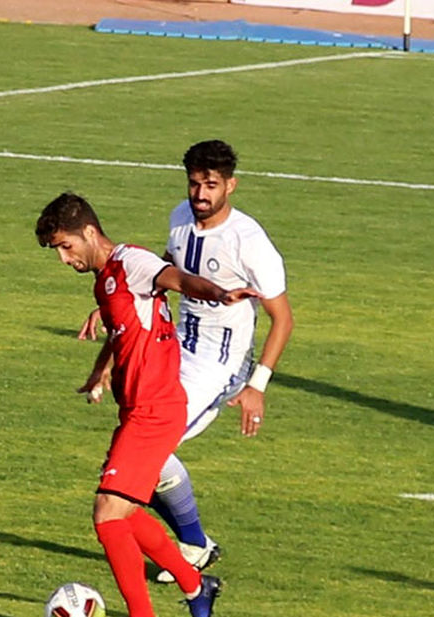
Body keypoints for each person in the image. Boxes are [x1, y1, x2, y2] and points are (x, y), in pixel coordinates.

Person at [36, 192, 259, 617]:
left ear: (89, 233)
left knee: (107, 516)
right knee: (126, 513)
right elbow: (124, 333)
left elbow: (176, 279)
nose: (64, 259)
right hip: (138, 410)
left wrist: (218, 294)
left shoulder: (132, 262)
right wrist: (100, 371)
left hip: (156, 411)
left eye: (66, 247)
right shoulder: (106, 281)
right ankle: (196, 586)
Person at [80, 140, 294, 582]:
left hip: (219, 365)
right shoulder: (180, 217)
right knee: (132, 453)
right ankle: (194, 544)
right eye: (194, 183)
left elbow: (283, 318)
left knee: (147, 456)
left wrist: (257, 385)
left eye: (210, 185)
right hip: (175, 348)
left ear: (230, 186)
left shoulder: (249, 242)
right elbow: (164, 270)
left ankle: (195, 546)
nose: (200, 194)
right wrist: (112, 304)